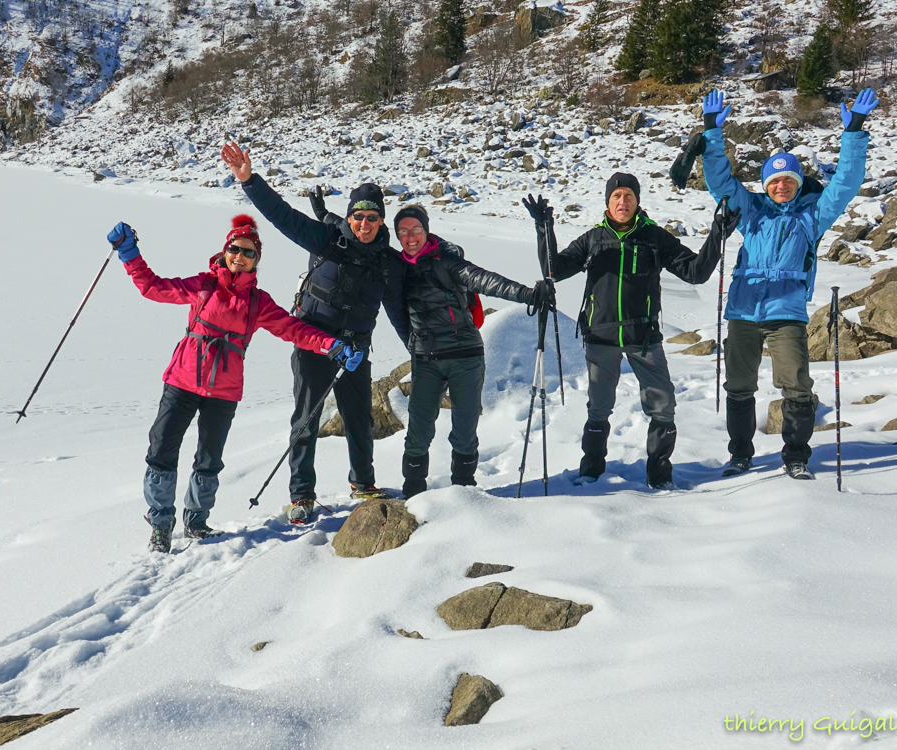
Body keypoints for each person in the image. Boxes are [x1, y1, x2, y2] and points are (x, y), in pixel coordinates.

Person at [109, 215, 363, 552]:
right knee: (161, 452)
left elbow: (294, 329)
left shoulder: (258, 302)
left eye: (248, 252)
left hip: (224, 391)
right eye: (235, 249)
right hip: (182, 382)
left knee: (209, 459)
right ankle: (160, 522)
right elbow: (154, 287)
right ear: (225, 251)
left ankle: (196, 520)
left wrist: (331, 345)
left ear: (256, 259)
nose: (240, 256)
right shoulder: (203, 286)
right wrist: (129, 254)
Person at [220, 143, 409, 523]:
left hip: (353, 350)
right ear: (351, 217)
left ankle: (363, 483)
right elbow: (283, 217)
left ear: (381, 221)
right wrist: (249, 181)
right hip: (312, 340)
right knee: (307, 417)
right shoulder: (328, 239)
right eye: (358, 216)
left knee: (359, 418)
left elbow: (398, 314)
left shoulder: (388, 263)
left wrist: (418, 350)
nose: (364, 224)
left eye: (372, 217)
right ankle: (301, 494)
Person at [699, 88, 875, 479]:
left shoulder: (812, 217)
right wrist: (712, 130)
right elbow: (721, 182)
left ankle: (796, 456)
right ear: (766, 184)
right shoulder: (751, 211)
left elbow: (845, 184)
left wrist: (855, 133)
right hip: (743, 310)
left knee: (796, 386)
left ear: (797, 184)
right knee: (739, 387)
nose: (781, 185)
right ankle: (740, 455)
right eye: (775, 180)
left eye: (789, 180)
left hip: (787, 314)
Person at [525, 176, 739, 489]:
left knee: (663, 405)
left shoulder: (654, 238)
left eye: (628, 196)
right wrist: (545, 228)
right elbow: (553, 270)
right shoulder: (593, 239)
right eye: (616, 196)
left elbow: (696, 273)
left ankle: (659, 474)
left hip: (645, 338)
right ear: (607, 202)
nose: (622, 202)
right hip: (601, 337)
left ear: (637, 201)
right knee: (598, 408)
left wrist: (717, 234)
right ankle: (591, 470)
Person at [385, 205, 553, 497]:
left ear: (426, 229)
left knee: (464, 433)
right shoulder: (397, 268)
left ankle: (464, 494)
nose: (410, 237)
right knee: (418, 433)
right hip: (426, 361)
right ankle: (413, 495)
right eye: (403, 231)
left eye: (416, 229)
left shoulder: (446, 260)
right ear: (397, 235)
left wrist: (527, 294)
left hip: (465, 357)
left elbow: (485, 280)